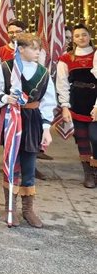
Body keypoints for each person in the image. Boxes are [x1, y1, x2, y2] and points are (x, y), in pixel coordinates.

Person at [0, 33, 55, 228]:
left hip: (33, 120)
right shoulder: (5, 68)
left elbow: (48, 102)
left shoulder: (43, 73)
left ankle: (28, 210)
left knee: (29, 165)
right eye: (33, 48)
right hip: (12, 119)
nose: (37, 52)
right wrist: (4, 98)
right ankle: (11, 208)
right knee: (12, 164)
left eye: (39, 49)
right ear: (21, 49)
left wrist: (46, 128)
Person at [56, 24, 97, 188]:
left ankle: (95, 170)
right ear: (73, 39)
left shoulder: (96, 55)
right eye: (77, 35)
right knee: (82, 139)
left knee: (95, 137)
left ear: (89, 36)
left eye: (84, 35)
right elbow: (62, 83)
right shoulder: (66, 58)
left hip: (94, 101)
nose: (81, 38)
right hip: (77, 102)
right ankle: (88, 174)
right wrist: (65, 106)